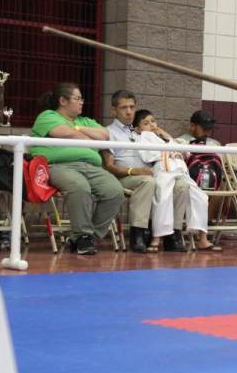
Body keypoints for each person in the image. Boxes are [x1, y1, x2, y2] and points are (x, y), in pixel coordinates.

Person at [30, 83, 124, 255]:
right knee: (80, 187)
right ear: (63, 101)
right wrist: (87, 136)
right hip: (58, 165)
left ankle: (87, 238)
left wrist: (79, 128)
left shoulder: (84, 121)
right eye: (78, 98)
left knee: (115, 191)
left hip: (90, 166)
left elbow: (105, 135)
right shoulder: (48, 116)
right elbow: (64, 133)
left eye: (82, 98)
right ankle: (83, 236)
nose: (82, 102)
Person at [103, 90, 190, 253]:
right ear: (113, 110)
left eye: (132, 107)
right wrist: (134, 170)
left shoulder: (140, 131)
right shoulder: (108, 132)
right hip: (126, 176)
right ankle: (138, 234)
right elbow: (109, 165)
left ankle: (173, 234)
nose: (129, 112)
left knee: (182, 185)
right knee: (148, 182)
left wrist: (161, 135)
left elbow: (167, 148)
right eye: (124, 108)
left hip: (152, 174)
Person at [133, 109, 221, 252]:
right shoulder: (143, 136)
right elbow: (147, 156)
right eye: (146, 123)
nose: (151, 125)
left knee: (200, 197)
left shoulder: (162, 137)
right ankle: (157, 238)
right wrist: (167, 152)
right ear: (138, 129)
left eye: (153, 121)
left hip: (179, 168)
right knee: (163, 198)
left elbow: (181, 150)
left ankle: (203, 239)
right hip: (163, 168)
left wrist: (164, 135)